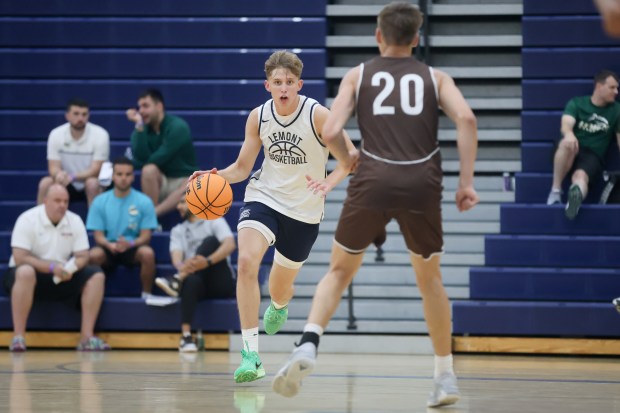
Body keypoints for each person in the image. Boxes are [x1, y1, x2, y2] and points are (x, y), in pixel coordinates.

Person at [271, 3, 479, 408]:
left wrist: (347, 162)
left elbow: (330, 129)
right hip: (422, 183)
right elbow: (467, 120)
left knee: (339, 270)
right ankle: (444, 375)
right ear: (416, 39)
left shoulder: (359, 74)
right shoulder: (436, 77)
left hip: (373, 180)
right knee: (430, 281)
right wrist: (465, 184)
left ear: (377, 36)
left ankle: (309, 343)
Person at [188, 50, 357, 383]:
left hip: (305, 211)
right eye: (277, 82)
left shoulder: (318, 115)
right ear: (267, 85)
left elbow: (350, 159)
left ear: (299, 84)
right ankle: (251, 356)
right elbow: (241, 168)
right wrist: (214, 176)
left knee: (280, 289)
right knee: (248, 262)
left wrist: (328, 183)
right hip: (264, 197)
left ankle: (279, 304)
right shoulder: (258, 117)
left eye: (289, 82)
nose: (283, 88)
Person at [4, 183, 110, 352]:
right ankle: (18, 337)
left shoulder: (74, 220)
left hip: (62, 275)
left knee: (96, 275)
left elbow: (83, 256)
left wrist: (71, 268)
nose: (62, 205)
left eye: (66, 201)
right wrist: (51, 267)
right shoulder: (27, 219)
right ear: (45, 201)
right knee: (25, 271)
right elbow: (20, 257)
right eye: (57, 201)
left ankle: (86, 337)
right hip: (30, 276)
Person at [155, 197, 237, 352]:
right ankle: (186, 337)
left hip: (219, 280)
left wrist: (206, 262)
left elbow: (230, 244)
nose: (178, 206)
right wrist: (185, 266)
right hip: (197, 281)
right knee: (191, 281)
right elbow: (177, 260)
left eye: (182, 202)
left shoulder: (214, 220)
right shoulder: (177, 230)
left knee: (211, 241)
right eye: (178, 202)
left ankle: (178, 278)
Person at [546, 70, 620, 219]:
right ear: (599, 86)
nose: (616, 92)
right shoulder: (578, 103)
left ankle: (575, 199)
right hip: (571, 148)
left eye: (617, 88)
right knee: (567, 144)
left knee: (580, 177)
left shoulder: (616, 110)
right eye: (612, 87)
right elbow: (566, 123)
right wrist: (569, 134)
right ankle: (555, 191)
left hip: (592, 155)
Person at [86, 156, 158, 299]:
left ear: (133, 177)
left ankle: (146, 295)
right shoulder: (100, 201)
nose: (123, 178)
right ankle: (93, 295)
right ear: (113, 176)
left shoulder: (144, 202)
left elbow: (146, 236)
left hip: (132, 247)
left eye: (128, 174)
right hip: (108, 247)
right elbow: (98, 236)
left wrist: (130, 243)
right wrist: (109, 244)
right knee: (93, 255)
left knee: (148, 253)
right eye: (119, 174)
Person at [126, 88, 198, 217]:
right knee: (148, 170)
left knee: (193, 183)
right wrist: (139, 126)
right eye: (139, 107)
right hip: (159, 183)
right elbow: (142, 157)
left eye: (145, 106)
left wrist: (137, 163)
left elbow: (158, 158)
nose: (141, 111)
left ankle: (151, 216)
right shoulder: (141, 130)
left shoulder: (178, 127)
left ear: (159, 106)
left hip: (181, 180)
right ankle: (151, 218)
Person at [37, 98, 110, 207]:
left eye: (84, 114)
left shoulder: (101, 134)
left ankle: (95, 223)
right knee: (45, 183)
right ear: (67, 116)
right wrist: (59, 175)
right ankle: (41, 222)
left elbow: (96, 170)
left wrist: (72, 176)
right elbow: (53, 167)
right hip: (67, 182)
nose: (80, 118)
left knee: (92, 183)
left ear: (88, 116)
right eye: (76, 114)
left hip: (91, 182)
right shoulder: (56, 134)